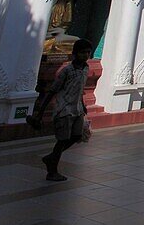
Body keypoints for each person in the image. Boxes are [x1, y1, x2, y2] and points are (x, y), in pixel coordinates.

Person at [27, 38, 93, 181]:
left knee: (77, 136)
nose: (86, 55)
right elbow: (52, 91)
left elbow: (80, 89)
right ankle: (52, 171)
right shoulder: (67, 70)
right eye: (83, 52)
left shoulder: (86, 68)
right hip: (64, 109)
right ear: (75, 53)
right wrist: (39, 114)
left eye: (88, 52)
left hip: (77, 109)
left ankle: (51, 157)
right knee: (62, 140)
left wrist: (82, 104)